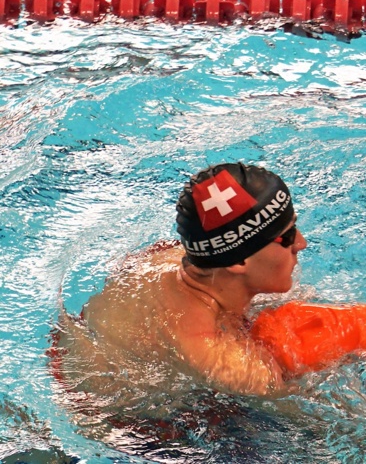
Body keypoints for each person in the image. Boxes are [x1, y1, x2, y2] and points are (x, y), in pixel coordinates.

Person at [53, 163, 307, 398]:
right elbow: (281, 393)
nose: (301, 243)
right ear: (238, 261)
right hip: (123, 422)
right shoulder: (206, 349)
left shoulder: (171, 258)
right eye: (287, 238)